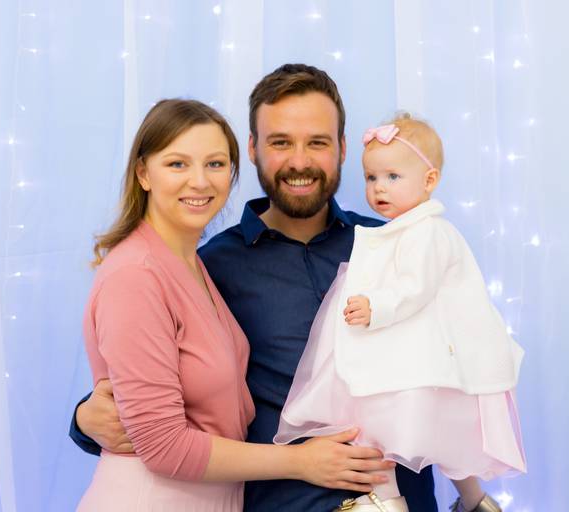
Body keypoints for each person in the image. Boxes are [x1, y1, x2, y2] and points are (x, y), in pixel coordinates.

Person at [71, 65, 438, 511]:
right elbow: (152, 394)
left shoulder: (397, 245)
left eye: (317, 142)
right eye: (280, 142)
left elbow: (458, 353)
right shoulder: (213, 264)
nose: (299, 162)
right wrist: (85, 418)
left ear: (342, 148)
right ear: (253, 150)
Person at [274, 115, 527, 512]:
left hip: (418, 358)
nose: (379, 188)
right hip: (401, 351)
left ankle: (401, 500)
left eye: (393, 177)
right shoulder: (401, 230)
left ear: (429, 180)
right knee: (392, 432)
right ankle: (454, 500)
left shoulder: (428, 231)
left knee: (386, 429)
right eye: (371, 178)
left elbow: (415, 286)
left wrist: (377, 306)